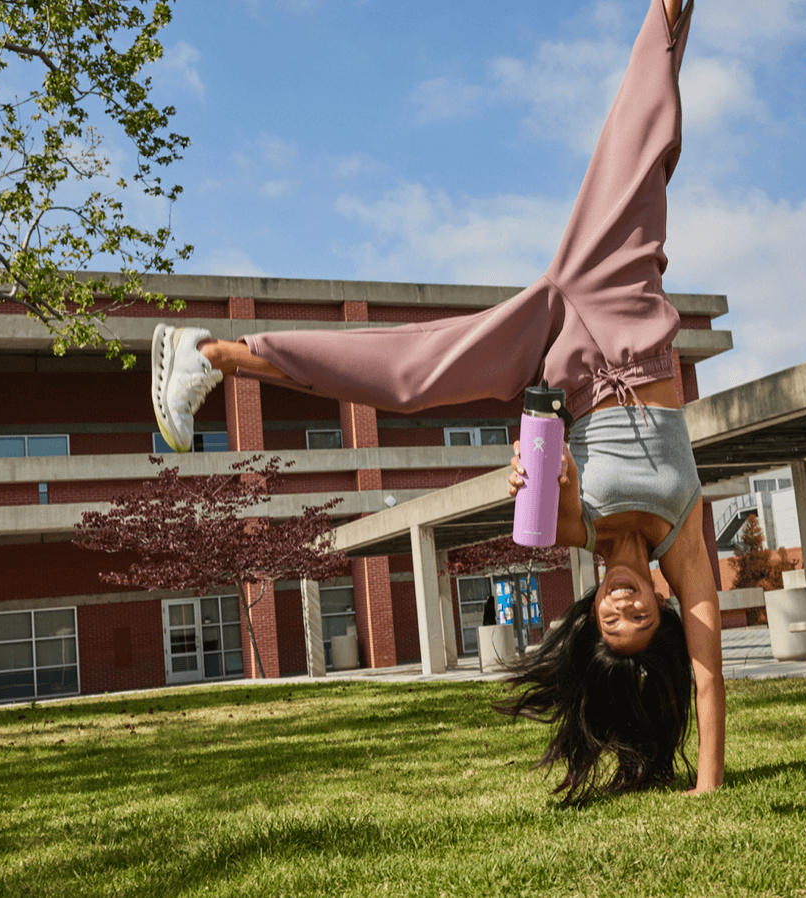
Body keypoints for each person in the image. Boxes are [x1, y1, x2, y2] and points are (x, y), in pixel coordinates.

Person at [150, 0, 723, 800]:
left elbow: (542, 469)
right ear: (661, 609)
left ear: (593, 610)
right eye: (640, 620)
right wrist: (709, 782)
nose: (625, 609)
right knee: (645, 147)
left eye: (611, 621)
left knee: (411, 379)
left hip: (556, 371)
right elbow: (706, 677)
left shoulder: (569, 531)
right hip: (623, 319)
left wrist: (528, 471)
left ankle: (213, 353)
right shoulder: (687, 545)